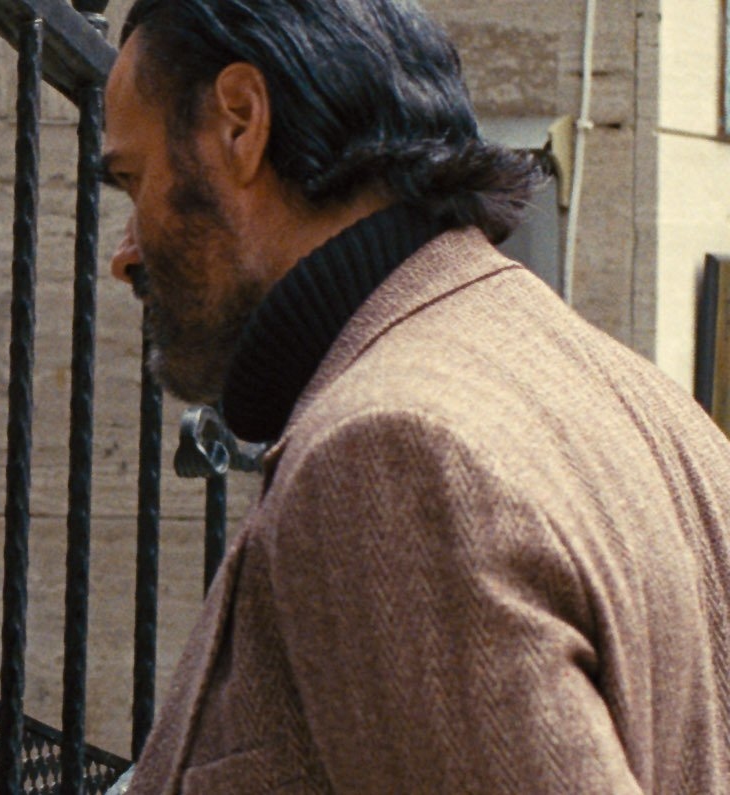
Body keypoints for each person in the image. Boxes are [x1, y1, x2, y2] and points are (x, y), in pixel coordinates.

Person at [99, 0, 730, 791]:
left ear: (240, 121)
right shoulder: (655, 409)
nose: (124, 254)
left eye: (134, 180)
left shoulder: (383, 453)